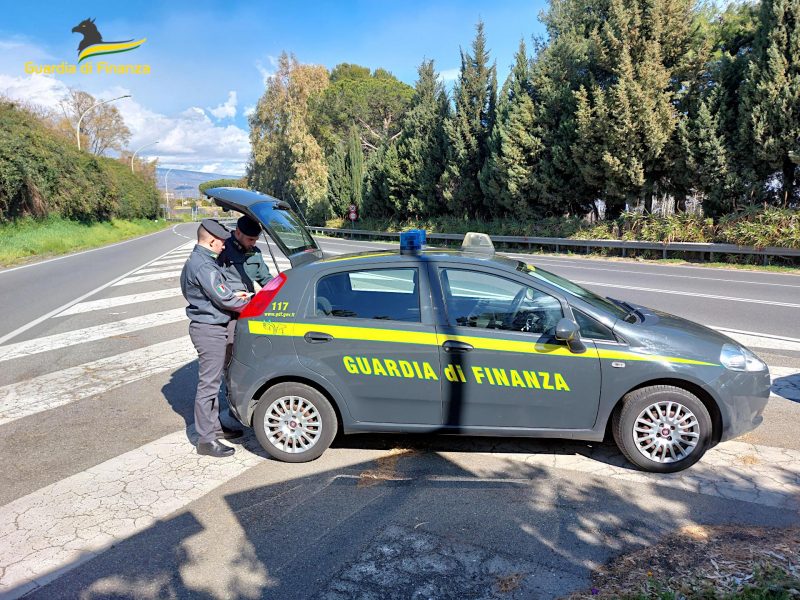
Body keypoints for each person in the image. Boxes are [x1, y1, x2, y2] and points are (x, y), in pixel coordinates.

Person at [180, 219, 252, 458]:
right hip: (209, 329)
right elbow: (225, 300)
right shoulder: (204, 266)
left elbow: (220, 294)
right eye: (221, 241)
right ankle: (206, 440)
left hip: (211, 325)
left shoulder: (203, 260)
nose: (225, 245)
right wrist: (249, 302)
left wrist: (233, 294)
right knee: (209, 385)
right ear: (211, 241)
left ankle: (214, 428)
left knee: (214, 382)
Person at [218, 215, 272, 294]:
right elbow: (214, 281)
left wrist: (280, 289)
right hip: (229, 301)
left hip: (249, 300)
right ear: (238, 232)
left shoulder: (255, 252)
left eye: (255, 240)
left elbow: (265, 278)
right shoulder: (222, 248)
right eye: (250, 239)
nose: (253, 244)